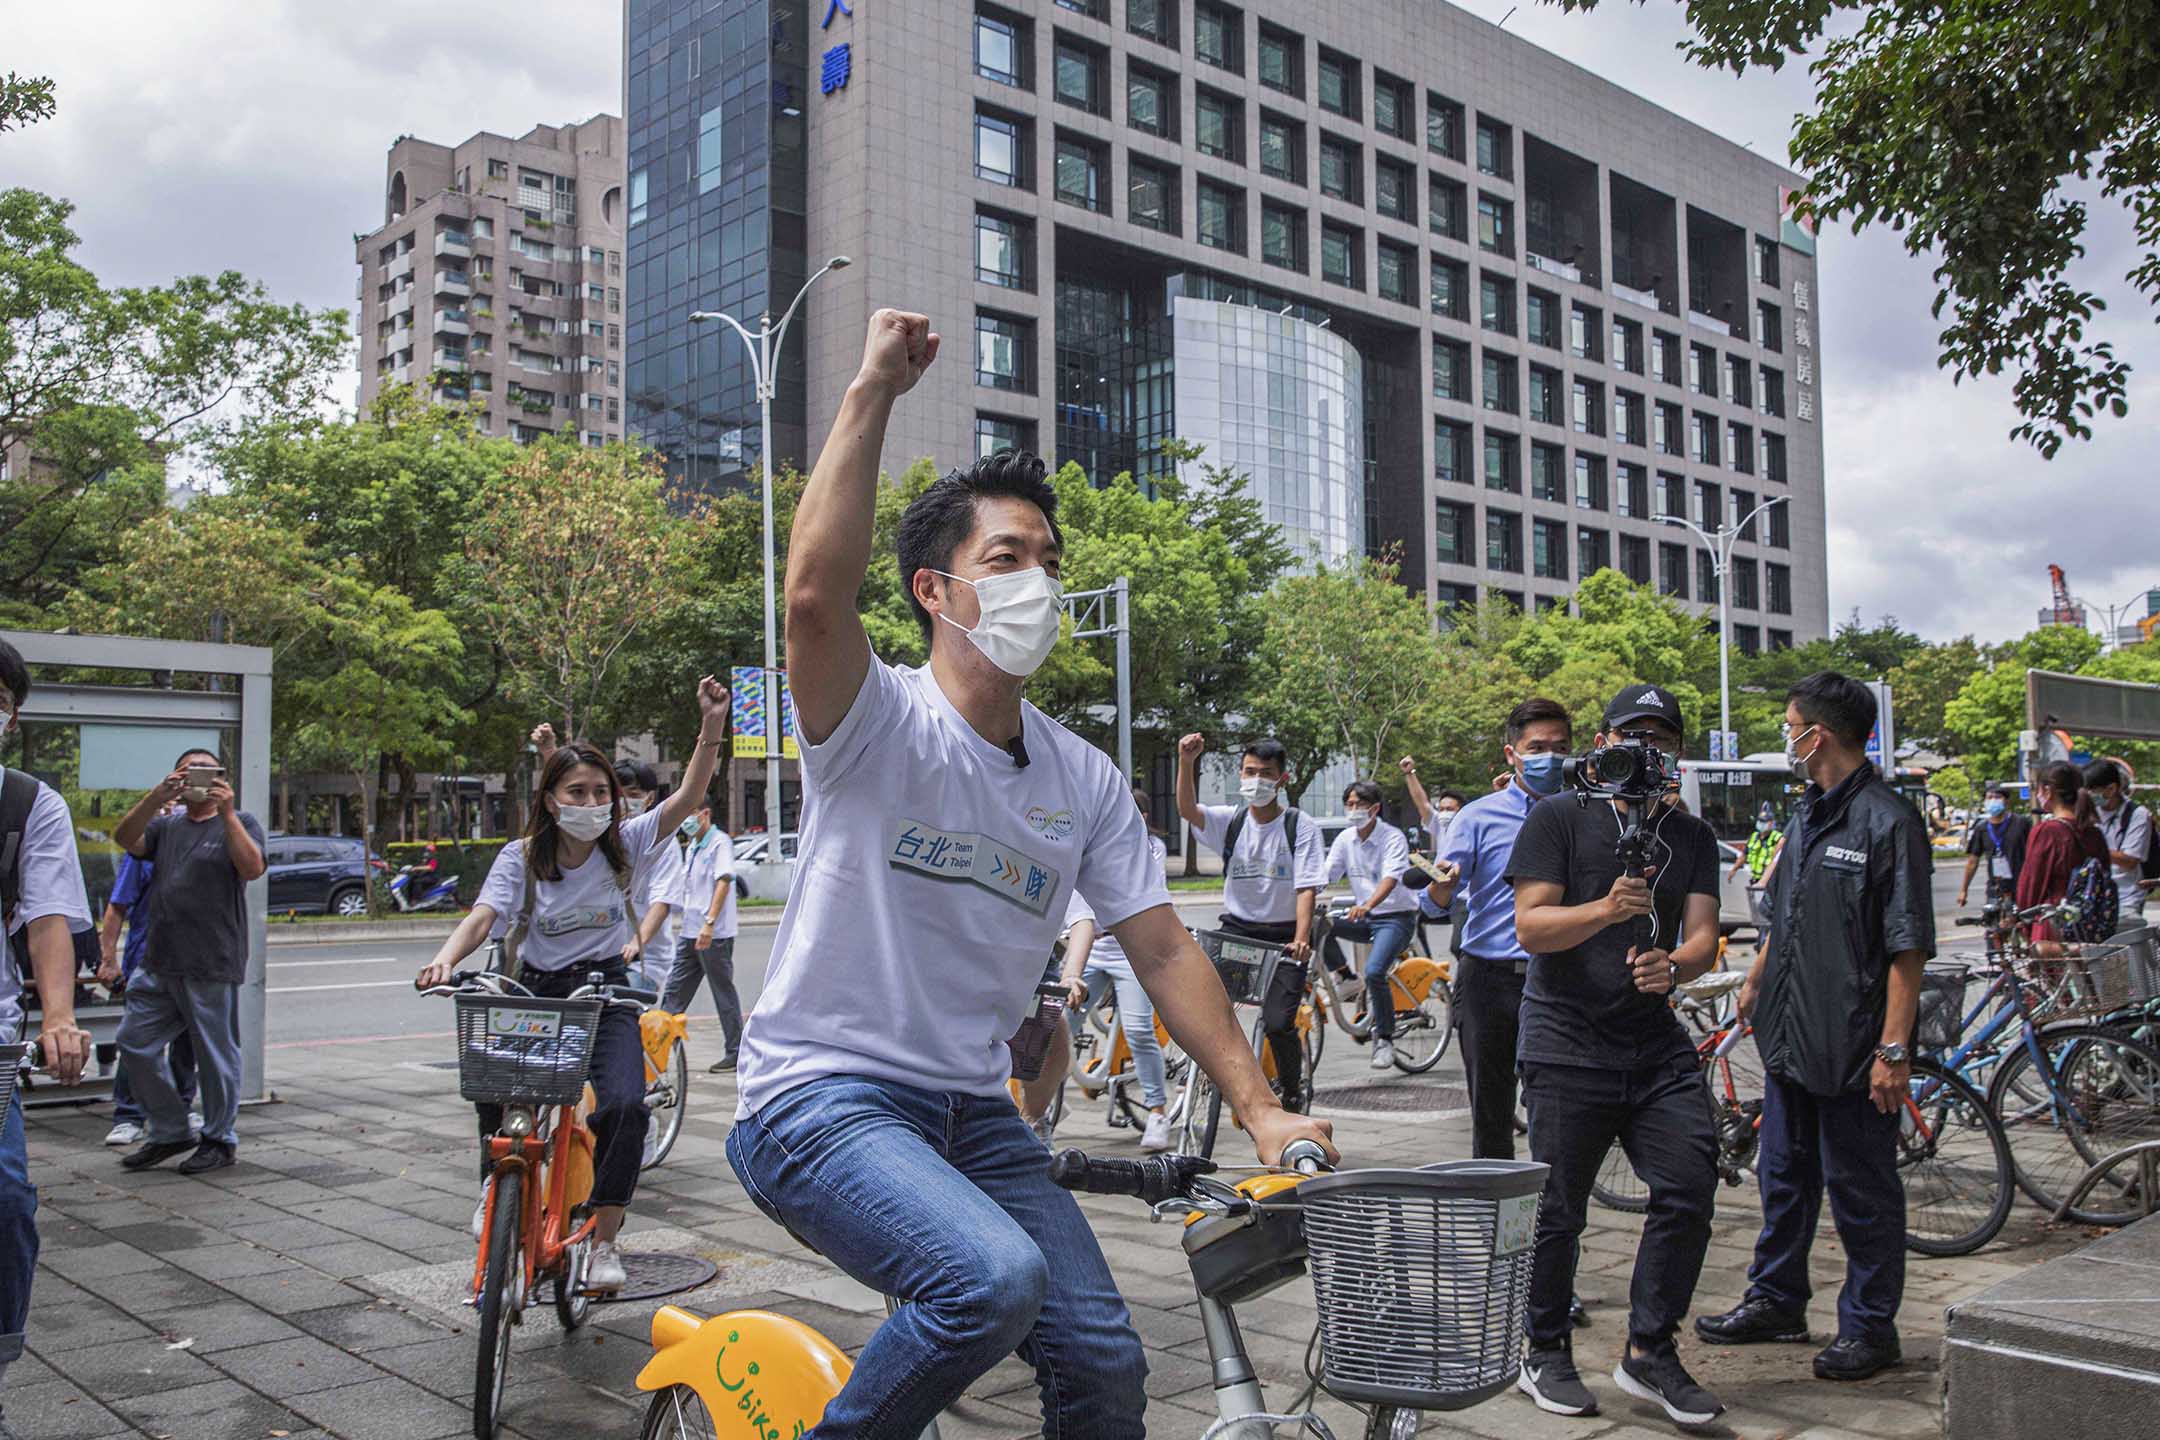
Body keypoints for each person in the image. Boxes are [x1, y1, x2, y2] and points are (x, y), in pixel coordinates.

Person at [725, 309, 1333, 1438]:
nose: (1037, 584)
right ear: (934, 592)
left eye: (1050, 563)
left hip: (971, 1112)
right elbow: (811, 600)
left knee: (1106, 1360)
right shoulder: (876, 723)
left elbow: (1159, 945)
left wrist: (1259, 1105)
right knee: (989, 1284)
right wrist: (870, 391)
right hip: (821, 1098)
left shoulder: (1085, 777)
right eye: (1005, 560)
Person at [415, 684, 726, 1293]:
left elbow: (689, 794)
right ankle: (495, 1182)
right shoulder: (521, 857)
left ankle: (605, 1240)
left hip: (603, 993)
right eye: (576, 792)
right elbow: (483, 916)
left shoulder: (628, 844)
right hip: (535, 993)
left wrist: (710, 726)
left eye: (600, 793)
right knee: (500, 1095)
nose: (591, 803)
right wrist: (443, 960)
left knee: (624, 1108)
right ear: (551, 801)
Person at [1697, 672, 1934, 1383]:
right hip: (1790, 1036)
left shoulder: (1889, 821)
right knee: (1784, 1179)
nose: (1786, 738)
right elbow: (1786, 912)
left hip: (1857, 1048)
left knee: (1861, 1191)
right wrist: (1757, 977)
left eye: (1790, 725)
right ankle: (1776, 1298)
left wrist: (1893, 1050)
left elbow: (1908, 946)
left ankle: (1870, 1328)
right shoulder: (1806, 814)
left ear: (1817, 734)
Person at [1508, 684, 1725, 1426]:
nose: (1649, 749)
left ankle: (1650, 1352)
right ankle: (1543, 1352)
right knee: (1558, 1210)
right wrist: (1605, 909)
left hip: (1654, 1045)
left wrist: (1678, 965)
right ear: (1604, 742)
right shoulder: (1559, 818)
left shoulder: (1688, 836)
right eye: (1635, 734)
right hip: (1566, 1043)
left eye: (1664, 737)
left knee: (1690, 1180)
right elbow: (1531, 928)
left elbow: (1703, 936)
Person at [0, 639, 94, 1433]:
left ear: (11, 716)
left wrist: (59, 1016)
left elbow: (48, 917)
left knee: (5, 1199)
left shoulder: (29, 804)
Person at [1417, 698, 1571, 1160]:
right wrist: (1443, 885)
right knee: (1491, 1110)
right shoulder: (1477, 816)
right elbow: (1435, 899)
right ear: (1512, 754)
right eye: (1537, 747)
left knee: (1560, 1109)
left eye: (1560, 747)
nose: (1550, 757)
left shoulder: (1586, 813)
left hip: (1562, 977)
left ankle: (1553, 1220)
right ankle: (1498, 1219)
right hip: (1490, 979)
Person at [110, 748, 267, 1175]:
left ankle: (219, 1138)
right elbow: (125, 838)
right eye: (188, 771)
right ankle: (170, 1130)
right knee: (134, 1043)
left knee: (215, 1056)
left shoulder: (241, 822)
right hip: (160, 960)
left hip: (211, 958)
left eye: (206, 771)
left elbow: (252, 868)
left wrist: (228, 811)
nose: (197, 778)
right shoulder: (165, 826)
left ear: (221, 777)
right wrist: (154, 796)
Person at [1177, 732, 1327, 1111]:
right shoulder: (1232, 821)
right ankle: (1217, 1072)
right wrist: (1185, 762)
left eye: (1265, 773)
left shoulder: (1299, 826)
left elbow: (1306, 887)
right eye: (1249, 772)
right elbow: (1188, 810)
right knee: (1207, 1003)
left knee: (1278, 1023)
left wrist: (1301, 937)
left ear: (1282, 779)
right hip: (1238, 929)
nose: (1255, 780)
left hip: (1284, 936)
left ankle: (1293, 1091)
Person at [1059, 787, 1176, 1151]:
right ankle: (1046, 1105)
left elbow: (1145, 895)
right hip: (1092, 947)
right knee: (1057, 1025)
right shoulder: (1081, 839)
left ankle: (1157, 1113)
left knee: (1140, 1029)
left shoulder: (1151, 849)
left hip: (1130, 950)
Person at [94, 836, 199, 1147]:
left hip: (192, 960)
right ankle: (128, 1115)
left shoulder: (204, 848)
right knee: (137, 1040)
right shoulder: (144, 852)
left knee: (187, 1041)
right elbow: (117, 907)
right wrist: (108, 958)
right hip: (147, 962)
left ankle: (181, 1107)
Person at [1321, 779, 1418, 1070]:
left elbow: (1391, 878)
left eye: (1359, 805)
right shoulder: (1345, 839)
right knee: (1320, 926)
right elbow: (1327, 874)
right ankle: (1347, 978)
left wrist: (1367, 905)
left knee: (1375, 972)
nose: (1353, 810)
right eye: (1349, 804)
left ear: (1375, 809)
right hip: (1365, 918)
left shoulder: (1392, 838)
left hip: (1395, 918)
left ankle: (1385, 1040)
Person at [659, 794, 743, 1072]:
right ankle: (655, 1050)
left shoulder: (720, 843)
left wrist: (709, 922)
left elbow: (723, 882)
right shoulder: (693, 846)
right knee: (673, 992)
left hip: (713, 934)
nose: (686, 821)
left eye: (690, 814)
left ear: (705, 813)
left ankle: (736, 1052)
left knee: (722, 992)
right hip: (689, 932)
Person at [2014, 761, 2110, 946]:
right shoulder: (2094, 832)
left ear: (2048, 791)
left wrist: (2023, 925)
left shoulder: (2047, 831)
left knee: (2055, 974)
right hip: (2090, 926)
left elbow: (2032, 884)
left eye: (2038, 789)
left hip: (2053, 924)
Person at [616, 759, 682, 988]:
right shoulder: (601, 837)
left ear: (649, 799)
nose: (623, 802)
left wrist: (636, 944)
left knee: (620, 1010)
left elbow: (662, 903)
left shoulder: (663, 842)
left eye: (632, 794)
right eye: (617, 794)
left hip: (644, 960)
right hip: (602, 956)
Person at [2084, 759, 2151, 934]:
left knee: (2123, 954)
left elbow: (2130, 860)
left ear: (2111, 789)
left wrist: (2093, 847)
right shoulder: (2088, 813)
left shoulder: (2138, 815)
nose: (2089, 795)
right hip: (2092, 898)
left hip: (2126, 899)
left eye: (2092, 790)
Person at [1956, 784, 2032, 908]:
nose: (1992, 801)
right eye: (1989, 798)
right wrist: (1964, 890)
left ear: (2007, 801)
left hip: (2021, 885)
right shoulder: (1982, 828)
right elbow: (1972, 861)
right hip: (1995, 888)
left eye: (1997, 797)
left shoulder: (2021, 823)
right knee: (1994, 922)